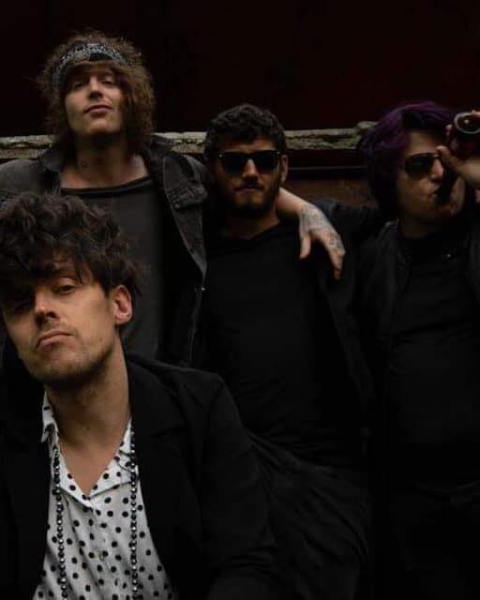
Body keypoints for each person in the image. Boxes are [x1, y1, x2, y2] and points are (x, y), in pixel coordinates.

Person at [0, 192, 277, 600]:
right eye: (20, 303)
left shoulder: (198, 408)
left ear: (120, 304)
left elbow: (247, 566)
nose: (41, 309)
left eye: (64, 287)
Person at [0, 30, 343, 363]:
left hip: (162, 380)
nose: (95, 91)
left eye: (109, 81)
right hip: (58, 378)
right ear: (62, 107)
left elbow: (241, 185)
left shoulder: (179, 177)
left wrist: (307, 211)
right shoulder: (23, 184)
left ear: (131, 98)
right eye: (78, 85)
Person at [198, 104, 374, 600]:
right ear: (213, 170)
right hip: (240, 474)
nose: (251, 172)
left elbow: (416, 213)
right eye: (234, 162)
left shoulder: (331, 236)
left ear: (284, 167)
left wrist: (311, 212)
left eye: (265, 160)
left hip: (331, 475)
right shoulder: (196, 258)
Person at [358, 103, 480, 599]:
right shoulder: (375, 257)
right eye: (419, 164)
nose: (439, 173)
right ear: (390, 182)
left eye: (445, 160)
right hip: (414, 504)